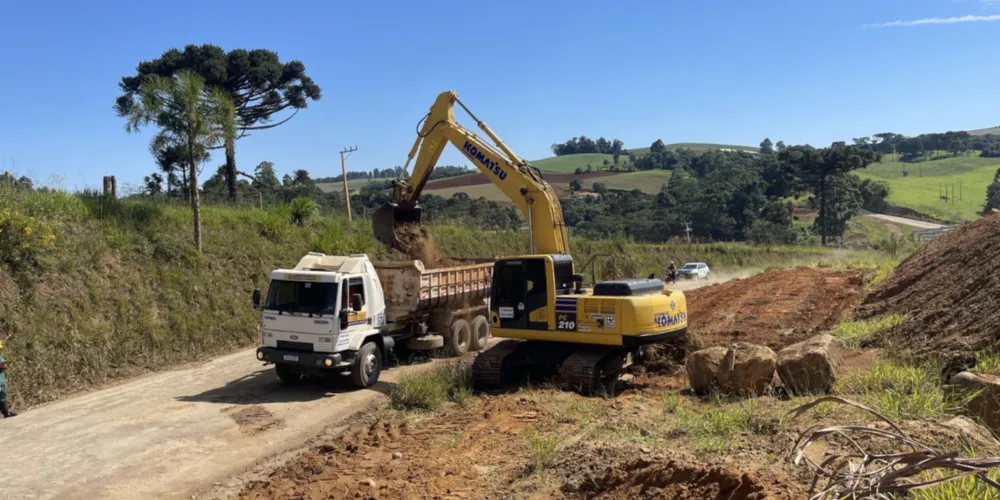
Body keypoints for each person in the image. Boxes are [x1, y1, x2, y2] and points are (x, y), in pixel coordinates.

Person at [0, 340, 16, 418]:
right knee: (2, 396)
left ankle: (5, 412)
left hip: (1, 380)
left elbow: (2, 364)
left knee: (2, 396)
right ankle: (5, 412)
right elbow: (2, 364)